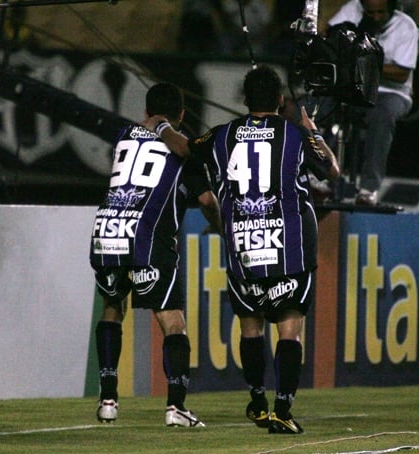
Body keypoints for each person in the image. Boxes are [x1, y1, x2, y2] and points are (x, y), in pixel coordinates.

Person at [144, 66, 339, 434]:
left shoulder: (223, 135)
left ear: (245, 101)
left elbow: (186, 149)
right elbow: (331, 169)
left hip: (244, 243)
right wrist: (308, 124)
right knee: (289, 328)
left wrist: (161, 128)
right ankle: (283, 409)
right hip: (289, 244)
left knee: (250, 327)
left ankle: (257, 399)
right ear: (280, 101)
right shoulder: (294, 133)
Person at [89, 83, 222, 427]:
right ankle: (176, 406)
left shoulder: (123, 135)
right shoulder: (182, 151)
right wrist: (220, 226)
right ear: (180, 115)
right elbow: (207, 201)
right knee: (172, 320)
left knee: (112, 309)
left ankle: (107, 400)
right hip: (149, 238)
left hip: (109, 232)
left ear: (145, 112)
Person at [327, 0, 418, 206]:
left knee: (382, 115)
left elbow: (402, 74)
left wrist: (363, 62)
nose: (376, 17)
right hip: (353, 89)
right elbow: (329, 36)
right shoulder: (351, 10)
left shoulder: (406, 26)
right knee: (321, 105)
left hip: (391, 93)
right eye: (371, 12)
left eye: (381, 12)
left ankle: (368, 188)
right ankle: (321, 178)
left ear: (392, 9)